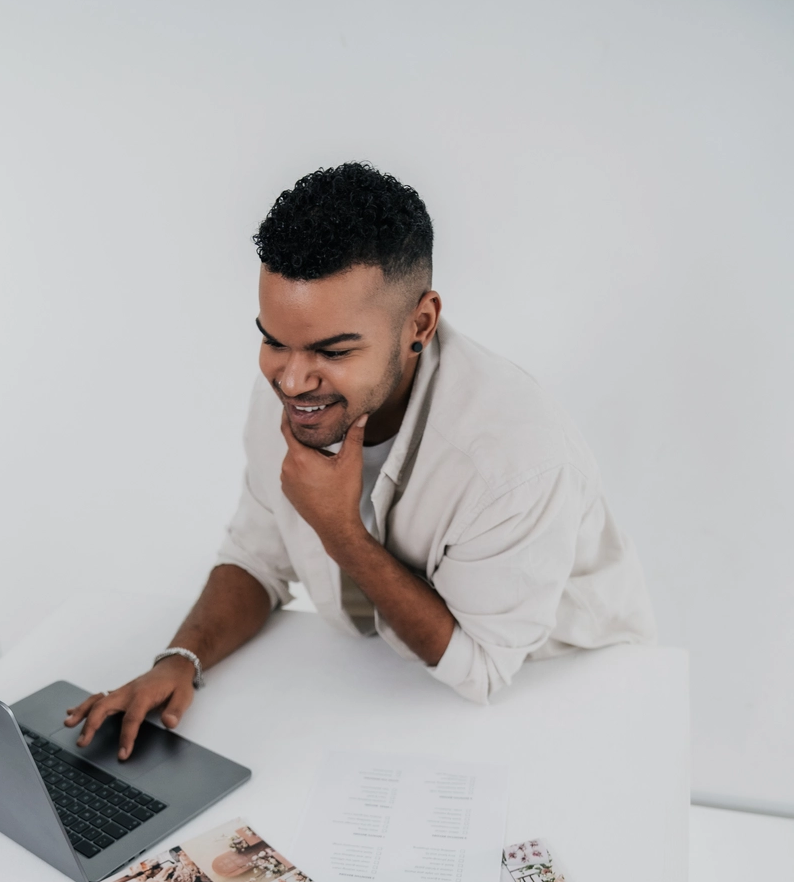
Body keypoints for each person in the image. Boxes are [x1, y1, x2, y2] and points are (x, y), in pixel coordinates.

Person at [67, 162, 655, 761]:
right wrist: (179, 661)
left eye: (332, 350)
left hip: (562, 688)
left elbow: (480, 667)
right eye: (273, 340)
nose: (291, 379)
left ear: (419, 324)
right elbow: (257, 557)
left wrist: (339, 530)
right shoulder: (301, 394)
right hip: (396, 686)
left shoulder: (514, 460)